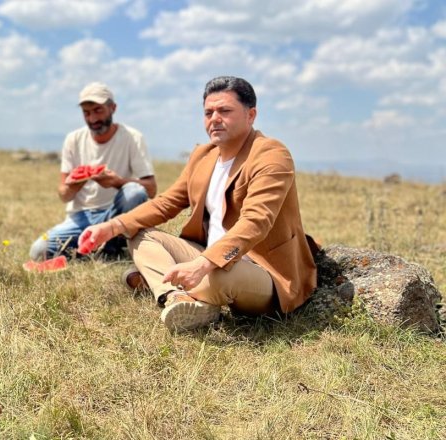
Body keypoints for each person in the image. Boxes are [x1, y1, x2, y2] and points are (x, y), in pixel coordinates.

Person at [79, 76, 317, 331]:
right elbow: (166, 203)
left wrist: (202, 265)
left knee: (216, 276)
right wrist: (112, 226)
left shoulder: (271, 155)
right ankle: (176, 297)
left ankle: (161, 282)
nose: (214, 118)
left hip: (260, 269)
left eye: (225, 111)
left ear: (251, 115)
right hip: (206, 253)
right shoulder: (203, 155)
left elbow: (256, 222)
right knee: (140, 235)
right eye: (208, 112)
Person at [29, 82, 157, 261]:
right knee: (38, 251)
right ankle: (105, 251)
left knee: (134, 192)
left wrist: (116, 182)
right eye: (86, 113)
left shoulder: (132, 137)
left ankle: (110, 244)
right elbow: (64, 195)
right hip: (81, 217)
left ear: (113, 108)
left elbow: (150, 188)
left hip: (114, 214)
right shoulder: (73, 139)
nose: (92, 119)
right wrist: (75, 184)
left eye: (98, 111)